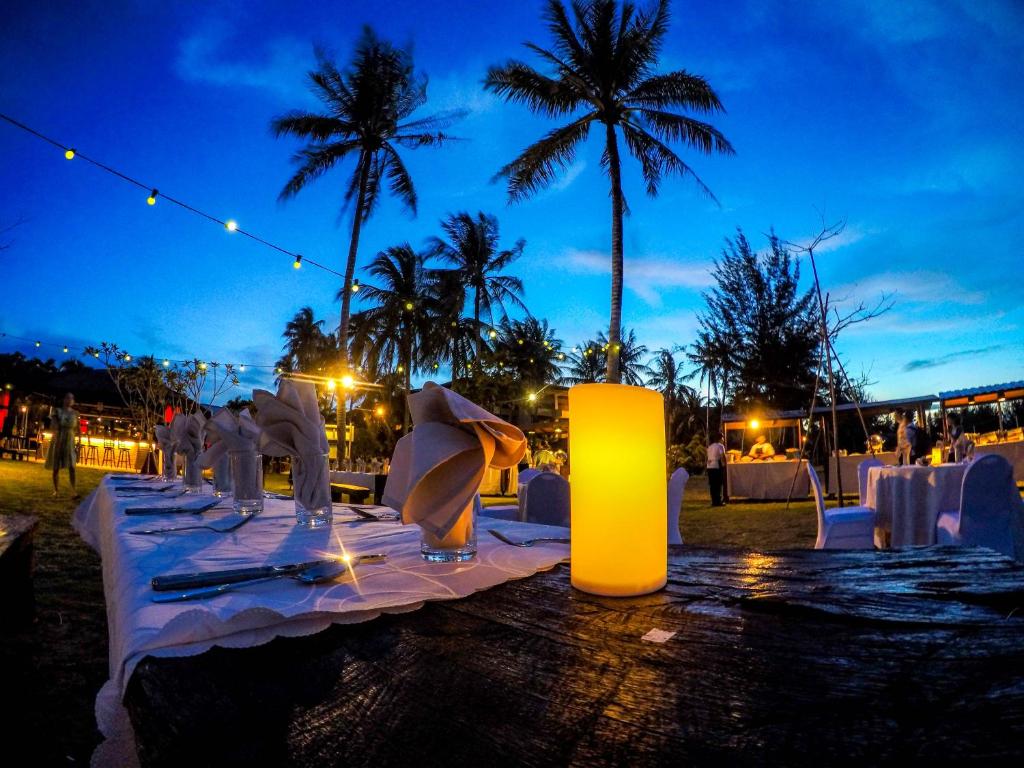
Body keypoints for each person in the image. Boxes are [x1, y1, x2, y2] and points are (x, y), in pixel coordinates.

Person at [46, 392, 80, 498]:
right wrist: (57, 440)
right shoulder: (57, 411)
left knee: (72, 466)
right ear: (64, 399)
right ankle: (56, 490)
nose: (70, 400)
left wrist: (78, 443)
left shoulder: (76, 413)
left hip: (70, 440)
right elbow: (54, 427)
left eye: (72, 398)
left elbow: (78, 429)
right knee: (56, 466)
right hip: (59, 438)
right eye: (68, 398)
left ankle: (73, 491)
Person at [707, 431, 727, 507]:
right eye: (723, 438)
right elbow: (722, 457)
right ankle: (718, 501)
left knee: (712, 485)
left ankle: (714, 501)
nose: (723, 439)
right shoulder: (720, 446)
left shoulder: (710, 446)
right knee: (718, 484)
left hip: (709, 466)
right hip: (716, 466)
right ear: (720, 438)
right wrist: (724, 466)